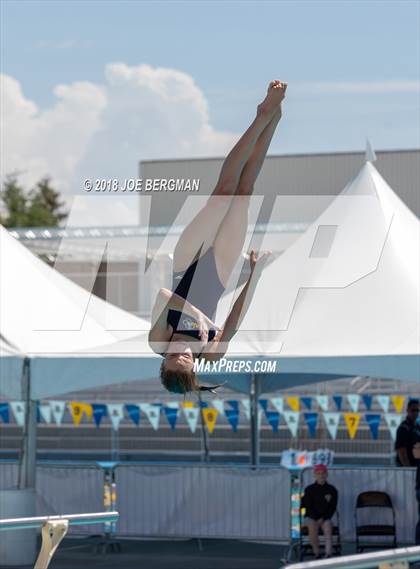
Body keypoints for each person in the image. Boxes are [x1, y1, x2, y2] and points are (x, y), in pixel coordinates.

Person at [148, 80, 288, 394]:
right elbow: (236, 319)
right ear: (194, 366)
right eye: (185, 359)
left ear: (163, 361)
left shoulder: (159, 341)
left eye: (173, 357)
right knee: (245, 192)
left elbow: (162, 296)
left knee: (224, 192)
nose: (180, 352)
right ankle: (273, 121)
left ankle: (262, 114)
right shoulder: (211, 352)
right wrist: (253, 277)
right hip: (220, 273)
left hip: (187, 262)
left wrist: (199, 319)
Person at [302, 464, 338, 559]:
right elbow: (308, 506)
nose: (321, 475)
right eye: (318, 473)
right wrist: (316, 518)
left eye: (323, 473)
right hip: (312, 517)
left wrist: (323, 518)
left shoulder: (332, 490)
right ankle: (317, 553)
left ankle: (328, 553)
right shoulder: (309, 489)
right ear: (314, 475)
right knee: (312, 528)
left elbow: (332, 507)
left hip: (325, 518)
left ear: (327, 475)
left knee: (327, 527)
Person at [395, 398, 420, 466]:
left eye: (417, 410)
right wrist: (407, 469)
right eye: (413, 410)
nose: (416, 413)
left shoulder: (417, 427)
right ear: (407, 411)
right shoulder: (403, 428)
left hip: (416, 466)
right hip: (406, 468)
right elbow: (401, 450)